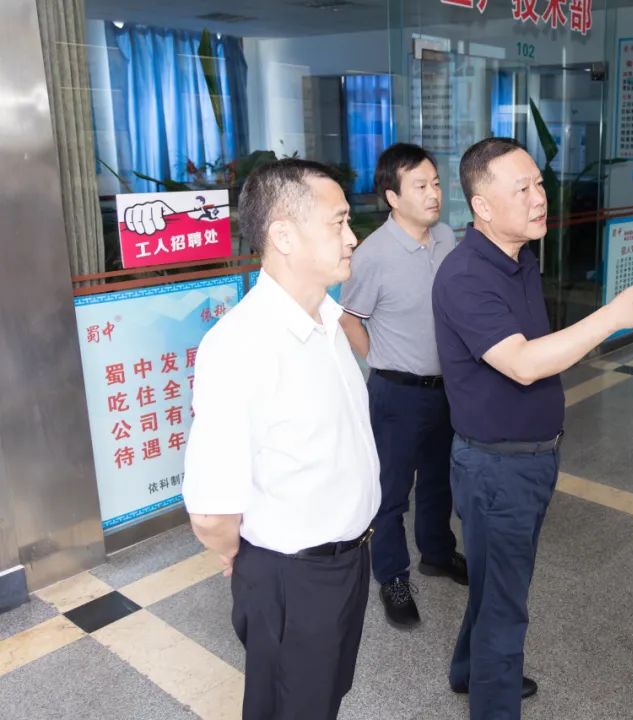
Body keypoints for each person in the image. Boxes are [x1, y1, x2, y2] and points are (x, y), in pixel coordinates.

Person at [432, 137, 633, 720]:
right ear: (482, 205)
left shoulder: (518, 258)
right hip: (498, 468)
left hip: (529, 458)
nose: (540, 198)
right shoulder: (465, 276)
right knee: (505, 607)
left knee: (496, 585)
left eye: (539, 184)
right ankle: (492, 699)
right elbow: (522, 362)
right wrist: (613, 316)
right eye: (523, 189)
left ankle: (470, 671)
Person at [182, 159, 381, 720]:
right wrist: (249, 561)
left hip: (347, 562)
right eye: (338, 223)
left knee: (322, 699)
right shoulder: (240, 345)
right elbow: (211, 513)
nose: (352, 237)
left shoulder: (328, 320)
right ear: (284, 236)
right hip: (294, 578)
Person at [339, 143, 467, 630]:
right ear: (393, 196)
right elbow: (349, 318)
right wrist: (379, 359)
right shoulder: (372, 255)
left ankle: (437, 552)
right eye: (420, 186)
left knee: (439, 479)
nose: (434, 194)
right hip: (397, 394)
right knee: (391, 492)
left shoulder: (446, 237)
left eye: (436, 183)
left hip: (446, 388)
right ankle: (392, 577)